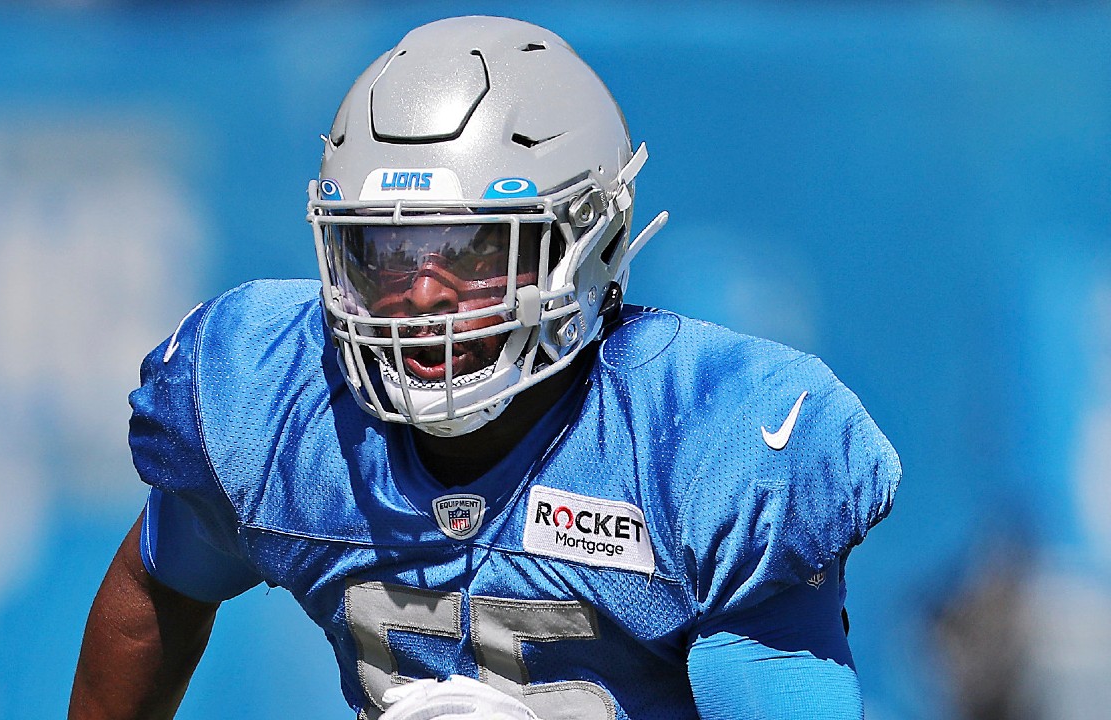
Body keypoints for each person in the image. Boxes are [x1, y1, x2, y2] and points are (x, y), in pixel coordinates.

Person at [69, 15, 900, 720]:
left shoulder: (703, 442)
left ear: (590, 243)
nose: (422, 294)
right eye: (386, 252)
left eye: (473, 250)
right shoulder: (275, 402)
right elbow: (161, 585)